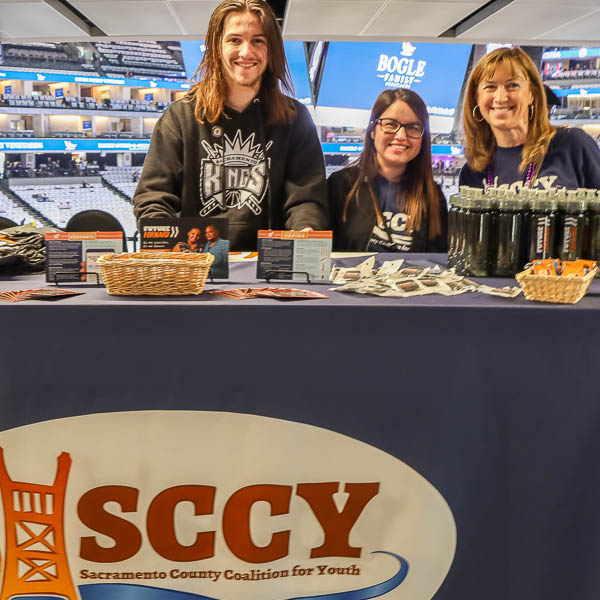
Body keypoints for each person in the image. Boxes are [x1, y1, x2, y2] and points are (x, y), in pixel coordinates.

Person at [133, 0, 327, 251]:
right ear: (216, 46)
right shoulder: (179, 117)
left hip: (271, 269)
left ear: (271, 49)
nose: (246, 52)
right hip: (201, 270)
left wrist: (306, 234)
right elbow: (153, 198)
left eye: (258, 40)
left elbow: (306, 199)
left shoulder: (295, 118)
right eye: (235, 40)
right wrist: (172, 249)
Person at [460, 47, 600, 191]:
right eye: (490, 87)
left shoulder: (573, 145)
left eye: (512, 85)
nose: (501, 98)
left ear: (531, 94)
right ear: (476, 97)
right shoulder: (472, 172)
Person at [328, 88, 447, 252]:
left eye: (413, 127)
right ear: (373, 131)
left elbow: (438, 261)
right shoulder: (341, 185)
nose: (401, 136)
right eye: (391, 124)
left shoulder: (432, 195)